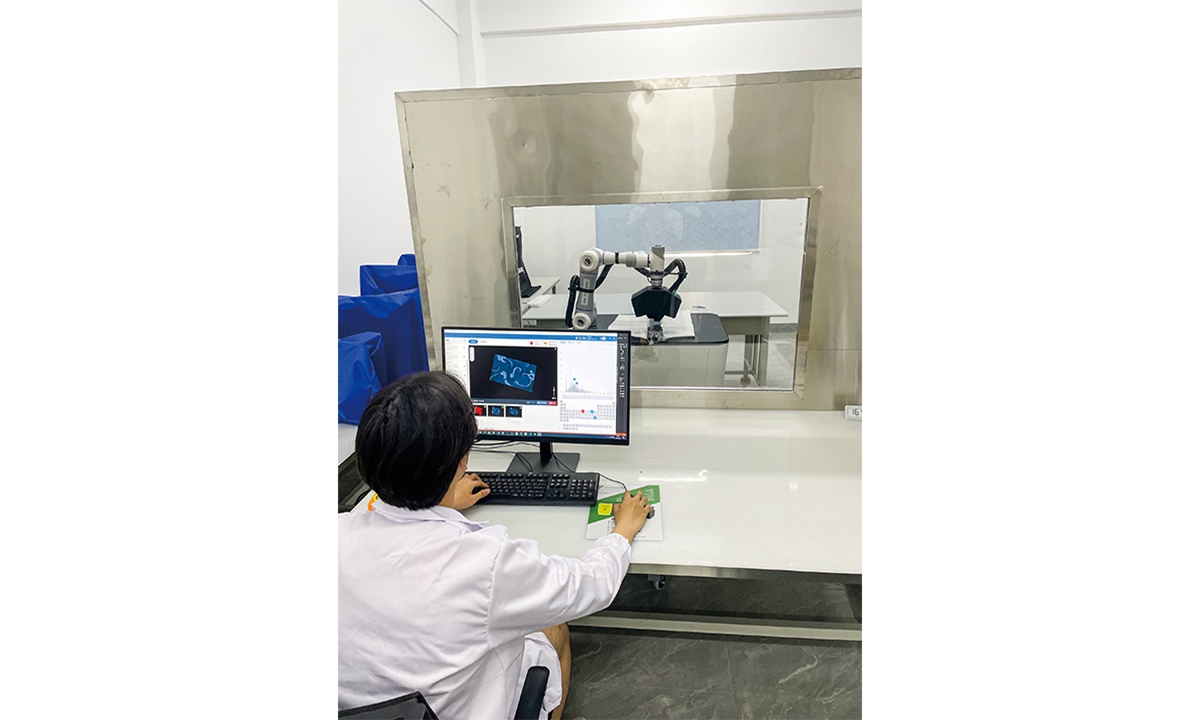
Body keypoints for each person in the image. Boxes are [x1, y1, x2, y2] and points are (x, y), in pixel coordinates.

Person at [338, 371, 651, 719]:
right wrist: (622, 531)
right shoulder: (485, 564)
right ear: (462, 460)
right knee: (552, 626)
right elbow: (591, 586)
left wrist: (438, 500)